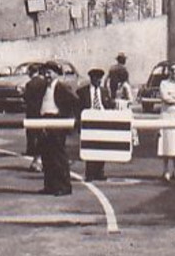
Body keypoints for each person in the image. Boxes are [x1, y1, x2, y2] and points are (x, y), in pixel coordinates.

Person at [37, 61, 78, 196]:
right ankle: (50, 186)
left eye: (49, 73)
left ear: (56, 74)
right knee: (46, 155)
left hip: (57, 122)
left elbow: (74, 102)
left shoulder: (62, 87)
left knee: (58, 156)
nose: (47, 75)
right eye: (45, 73)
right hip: (44, 122)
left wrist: (66, 120)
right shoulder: (43, 87)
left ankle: (64, 186)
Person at [77, 68, 112, 182]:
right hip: (90, 122)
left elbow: (109, 105)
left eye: (100, 79)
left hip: (102, 121)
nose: (99, 81)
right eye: (96, 79)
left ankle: (100, 172)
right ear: (92, 79)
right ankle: (90, 173)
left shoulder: (104, 91)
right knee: (90, 147)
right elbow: (78, 108)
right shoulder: (82, 92)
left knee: (102, 147)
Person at [23, 64, 46, 172]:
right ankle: (40, 160)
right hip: (43, 113)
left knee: (33, 137)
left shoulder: (29, 84)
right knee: (42, 137)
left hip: (32, 113)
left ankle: (36, 161)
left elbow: (26, 99)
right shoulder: (45, 83)